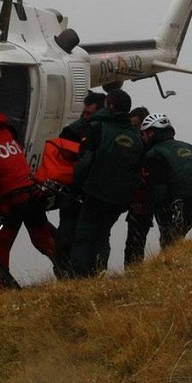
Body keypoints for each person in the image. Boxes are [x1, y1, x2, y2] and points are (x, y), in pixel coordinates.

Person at [0, 104, 56, 290]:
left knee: (0, 243)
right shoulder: (9, 136)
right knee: (43, 241)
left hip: (12, 203)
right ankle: (70, 269)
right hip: (33, 195)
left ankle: (0, 287)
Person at [69, 89, 143, 277]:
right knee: (103, 234)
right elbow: (137, 170)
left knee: (84, 234)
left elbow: (85, 161)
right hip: (119, 198)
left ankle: (78, 278)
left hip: (95, 192)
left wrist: (77, 185)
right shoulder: (136, 136)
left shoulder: (96, 128)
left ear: (109, 105)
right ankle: (99, 272)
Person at [139, 113, 192, 251]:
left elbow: (159, 191)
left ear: (152, 133)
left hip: (183, 203)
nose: (143, 138)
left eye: (144, 134)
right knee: (177, 235)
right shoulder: (187, 146)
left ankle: (171, 265)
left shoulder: (153, 154)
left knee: (169, 240)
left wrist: (145, 206)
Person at [52, 91, 105, 279]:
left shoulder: (103, 132)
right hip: (71, 191)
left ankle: (88, 274)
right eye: (86, 113)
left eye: (90, 113)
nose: (86, 116)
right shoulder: (72, 131)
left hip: (92, 193)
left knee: (90, 237)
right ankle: (64, 273)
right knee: (66, 235)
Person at [123, 106, 152, 268]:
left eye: (135, 126)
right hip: (136, 199)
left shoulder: (151, 149)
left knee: (135, 240)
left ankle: (133, 270)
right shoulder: (135, 145)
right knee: (133, 240)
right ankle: (133, 270)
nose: (132, 130)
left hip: (144, 201)